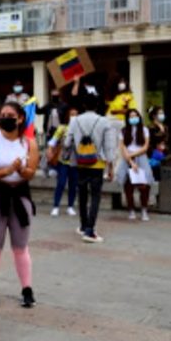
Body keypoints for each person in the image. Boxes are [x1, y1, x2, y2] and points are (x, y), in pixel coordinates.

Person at [0, 102, 40, 309]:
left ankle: (27, 289)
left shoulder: (29, 143)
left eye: (10, 115)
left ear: (20, 118)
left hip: (20, 193)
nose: (6, 118)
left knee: (20, 246)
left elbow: (32, 171)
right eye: (3, 114)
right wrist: (6, 171)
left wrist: (22, 170)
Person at [65, 93, 116, 243]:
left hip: (80, 162)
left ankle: (82, 226)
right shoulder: (104, 122)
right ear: (97, 105)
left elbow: (68, 143)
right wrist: (110, 167)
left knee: (82, 195)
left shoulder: (75, 120)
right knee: (95, 196)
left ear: (83, 105)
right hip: (97, 163)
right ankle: (90, 231)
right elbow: (109, 147)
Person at [117, 109, 153, 222]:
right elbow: (122, 148)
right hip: (127, 159)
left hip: (141, 158)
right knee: (128, 185)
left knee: (144, 185)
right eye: (131, 116)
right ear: (127, 118)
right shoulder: (123, 131)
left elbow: (145, 147)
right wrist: (131, 162)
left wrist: (133, 155)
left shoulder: (144, 129)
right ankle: (131, 209)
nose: (134, 118)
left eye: (135, 115)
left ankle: (144, 209)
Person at [48, 107, 79, 217]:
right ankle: (56, 206)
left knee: (73, 185)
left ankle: (70, 206)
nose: (74, 117)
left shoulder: (81, 128)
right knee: (61, 183)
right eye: (72, 114)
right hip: (63, 160)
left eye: (76, 115)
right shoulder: (62, 128)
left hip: (76, 161)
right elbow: (53, 141)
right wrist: (50, 151)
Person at [147, 107, 168, 181]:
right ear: (154, 116)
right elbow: (152, 140)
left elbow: (166, 140)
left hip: (163, 153)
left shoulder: (165, 127)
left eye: (163, 113)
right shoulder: (150, 127)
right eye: (160, 113)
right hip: (153, 154)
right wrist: (161, 131)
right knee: (155, 175)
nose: (162, 115)